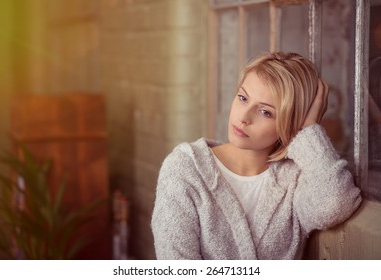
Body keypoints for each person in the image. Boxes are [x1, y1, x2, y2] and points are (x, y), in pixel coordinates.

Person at [151, 51, 362, 260]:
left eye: (265, 112)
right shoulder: (186, 169)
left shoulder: (294, 179)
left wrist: (309, 128)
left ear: (289, 123)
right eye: (243, 98)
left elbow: (334, 204)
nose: (243, 117)